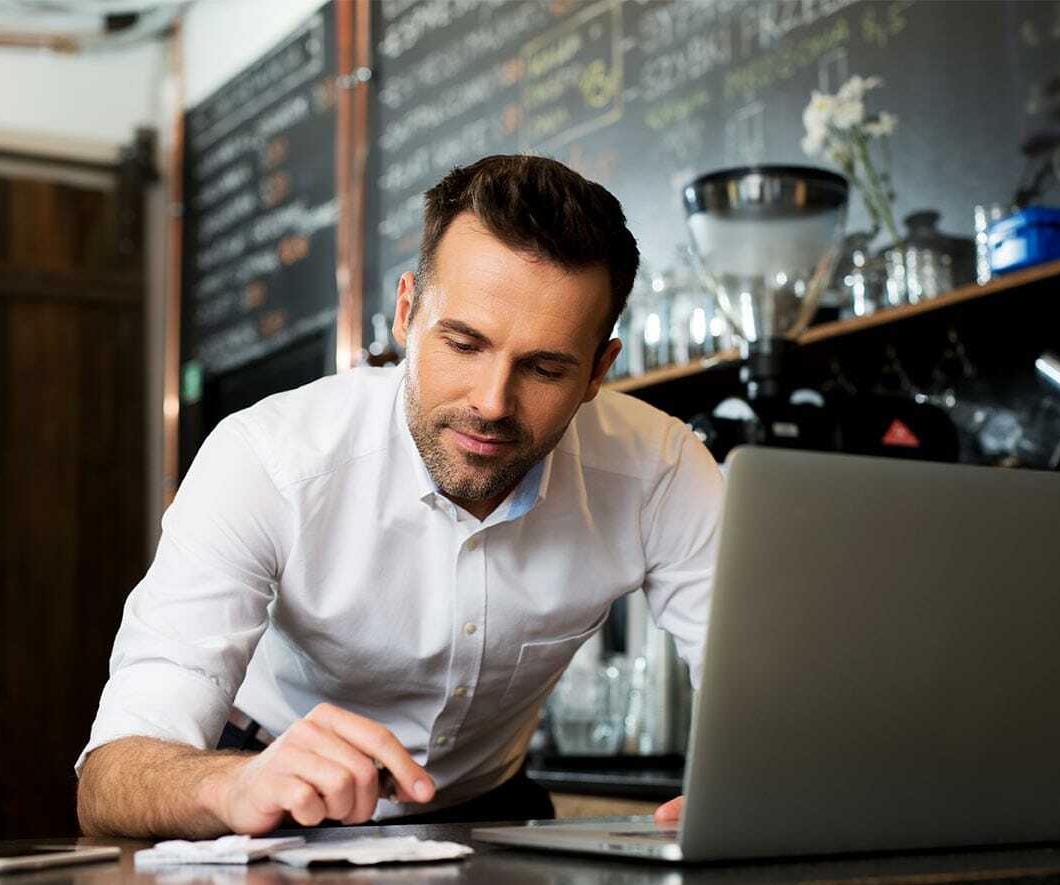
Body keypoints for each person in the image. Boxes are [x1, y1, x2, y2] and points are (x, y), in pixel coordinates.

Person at [75, 155, 722, 838]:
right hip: (266, 790)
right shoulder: (269, 458)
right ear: (408, 313)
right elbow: (111, 779)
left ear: (597, 371)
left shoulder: (661, 470)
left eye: (544, 367)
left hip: (488, 806)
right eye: (464, 343)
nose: (492, 403)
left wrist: (739, 793)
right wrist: (233, 784)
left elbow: (760, 700)